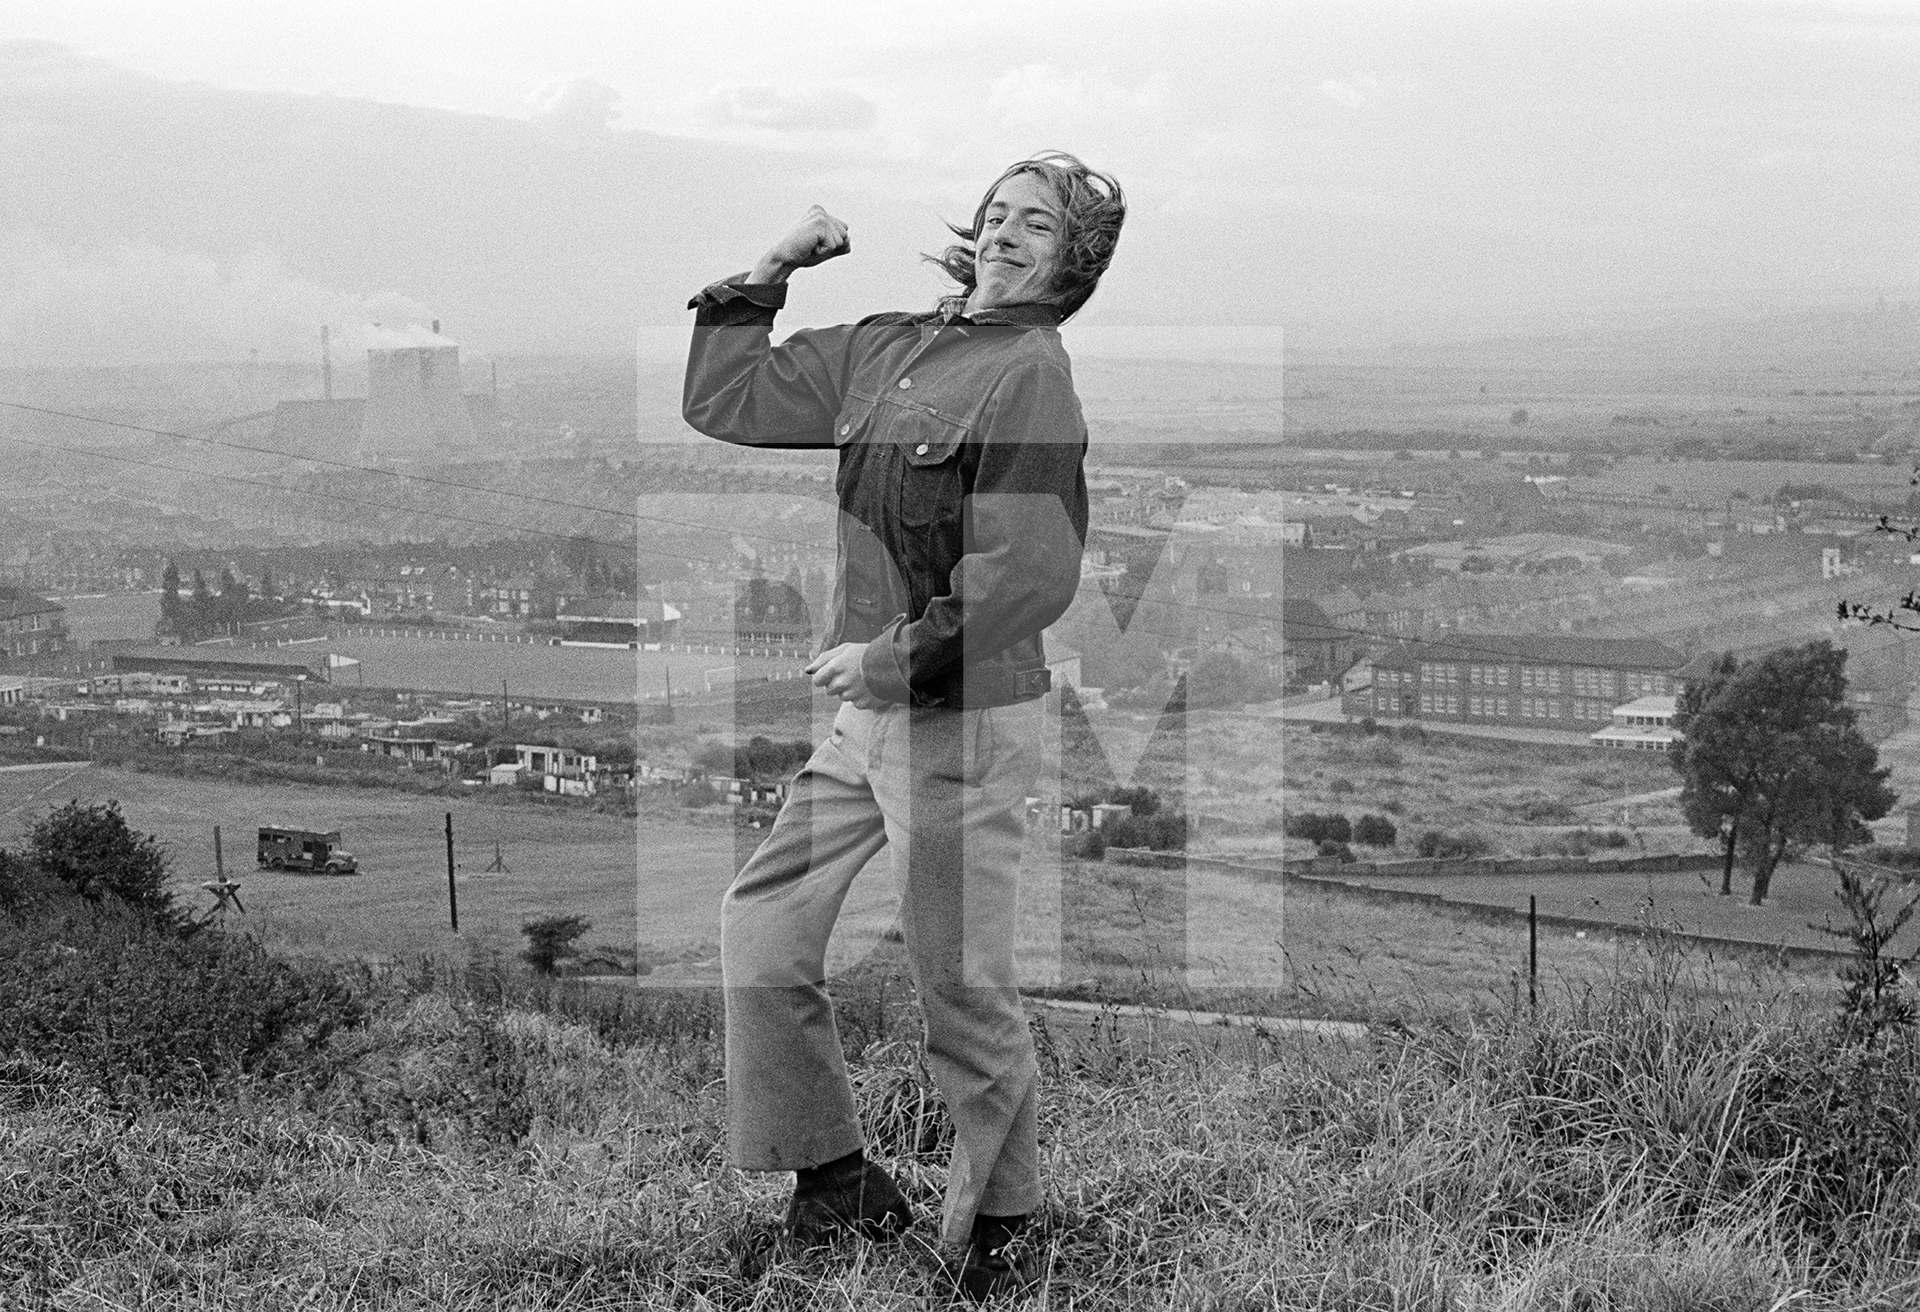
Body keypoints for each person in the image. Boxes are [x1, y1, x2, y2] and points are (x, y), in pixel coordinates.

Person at [682, 151, 1124, 1301]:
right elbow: (727, 400)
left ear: (1074, 263)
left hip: (960, 724)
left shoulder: (1032, 373)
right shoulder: (888, 347)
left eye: (1039, 224)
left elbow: (1028, 573)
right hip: (865, 722)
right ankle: (834, 1178)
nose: (1005, 230)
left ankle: (1003, 1227)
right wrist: (772, 270)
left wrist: (884, 659)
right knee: (763, 929)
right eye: (998, 211)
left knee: (961, 985)